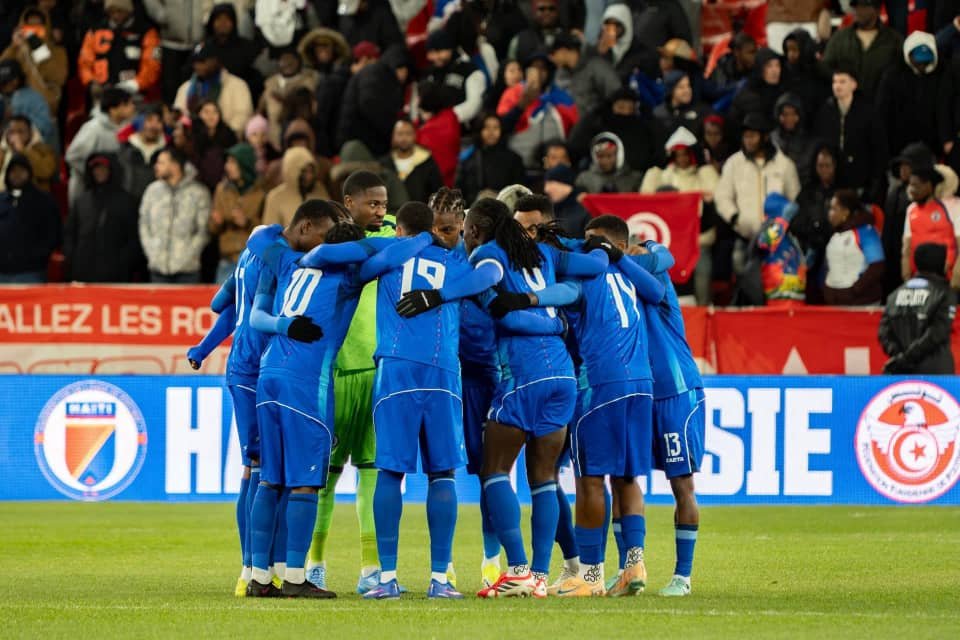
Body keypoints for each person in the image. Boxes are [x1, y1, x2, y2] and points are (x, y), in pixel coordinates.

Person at [448, 197, 608, 598]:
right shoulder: (546, 253)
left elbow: (501, 306)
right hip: (562, 374)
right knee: (544, 477)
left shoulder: (489, 254)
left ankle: (517, 568)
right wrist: (554, 318)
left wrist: (443, 294)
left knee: (494, 470)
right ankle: (538, 575)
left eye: (468, 228)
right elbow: (588, 274)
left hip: (524, 373)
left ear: (477, 229)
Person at [361, 202, 498, 600]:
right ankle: (441, 578)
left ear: (400, 228)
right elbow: (488, 276)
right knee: (443, 475)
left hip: (397, 369)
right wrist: (440, 294)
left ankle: (386, 577)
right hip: (442, 372)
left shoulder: (390, 256)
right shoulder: (454, 263)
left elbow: (362, 271)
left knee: (389, 472)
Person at [530, 216, 666, 597]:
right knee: (626, 478)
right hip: (641, 385)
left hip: (601, 385)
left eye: (591, 242)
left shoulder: (586, 277)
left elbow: (562, 294)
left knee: (590, 479)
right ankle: (633, 564)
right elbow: (657, 291)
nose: (585, 248)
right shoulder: (631, 274)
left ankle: (589, 577)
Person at [242, 203, 366, 599]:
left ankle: (259, 576)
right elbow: (386, 255)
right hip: (306, 384)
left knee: (269, 480)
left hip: (268, 375)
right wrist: (419, 238)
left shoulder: (287, 261)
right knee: (306, 484)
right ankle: (296, 577)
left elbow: (259, 236)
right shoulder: (349, 276)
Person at [307, 171, 394, 594]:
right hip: (337, 372)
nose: (380, 211)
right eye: (372, 205)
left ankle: (371, 568)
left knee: (372, 472)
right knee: (325, 476)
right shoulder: (330, 243)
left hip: (378, 372)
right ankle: (313, 562)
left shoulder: (395, 230)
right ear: (349, 202)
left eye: (383, 204)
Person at [715, 113, 801, 241]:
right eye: (745, 136)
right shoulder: (734, 163)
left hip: (777, 239)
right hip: (743, 237)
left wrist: (782, 224)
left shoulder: (785, 165)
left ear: (765, 137)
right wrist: (734, 218)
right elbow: (722, 196)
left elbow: (794, 199)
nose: (748, 141)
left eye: (752, 136)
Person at [879, 242, 957, 375]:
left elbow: (884, 333)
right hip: (936, 374)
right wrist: (907, 358)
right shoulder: (944, 293)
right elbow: (937, 333)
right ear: (938, 263)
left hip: (901, 371)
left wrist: (900, 358)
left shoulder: (895, 294)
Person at [64, 153, 141, 283]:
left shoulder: (127, 201)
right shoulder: (81, 201)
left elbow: (134, 239)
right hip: (83, 272)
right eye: (95, 168)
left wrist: (123, 264)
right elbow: (70, 235)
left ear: (112, 170)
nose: (99, 172)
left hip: (116, 275)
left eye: (103, 168)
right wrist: (73, 260)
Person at [138, 147, 211, 283]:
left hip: (188, 271)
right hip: (158, 268)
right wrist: (152, 251)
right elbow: (144, 224)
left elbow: (203, 230)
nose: (156, 166)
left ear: (175, 165)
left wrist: (190, 255)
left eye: (161, 163)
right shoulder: (152, 191)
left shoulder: (198, 193)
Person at [496, 50, 578, 168]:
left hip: (553, 167)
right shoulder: (513, 93)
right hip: (519, 164)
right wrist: (521, 105)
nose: (539, 73)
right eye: (534, 68)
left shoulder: (561, 97)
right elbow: (501, 127)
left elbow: (573, 129)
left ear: (550, 72)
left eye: (543, 68)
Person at [876, 31, 946, 165]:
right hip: (899, 149)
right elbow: (883, 114)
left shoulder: (943, 75)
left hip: (932, 149)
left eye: (926, 61)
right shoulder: (892, 76)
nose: (922, 65)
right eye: (918, 60)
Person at [569, 88, 664, 178]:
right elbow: (576, 144)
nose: (626, 112)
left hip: (636, 180)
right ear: (612, 107)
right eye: (621, 107)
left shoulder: (643, 127)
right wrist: (594, 114)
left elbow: (658, 153)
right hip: (601, 178)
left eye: (630, 108)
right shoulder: (600, 124)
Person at [65, 87, 135, 207]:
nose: (133, 107)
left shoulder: (126, 128)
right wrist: (95, 176)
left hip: (112, 191)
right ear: (113, 109)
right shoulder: (93, 128)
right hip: (87, 192)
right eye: (127, 104)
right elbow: (73, 156)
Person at [337, 44, 410, 157]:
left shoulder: (380, 75)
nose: (404, 73)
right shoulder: (376, 73)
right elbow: (369, 103)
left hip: (362, 140)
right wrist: (392, 130)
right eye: (401, 68)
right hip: (362, 142)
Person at [821, 0, 902, 100]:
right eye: (856, 6)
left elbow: (901, 74)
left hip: (883, 106)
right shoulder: (840, 38)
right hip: (848, 106)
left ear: (876, 10)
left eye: (864, 6)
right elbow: (825, 68)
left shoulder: (893, 40)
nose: (858, 10)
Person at [77, 0, 160, 98]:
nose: (116, 15)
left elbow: (152, 65)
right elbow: (84, 61)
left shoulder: (145, 31)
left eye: (120, 11)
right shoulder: (95, 30)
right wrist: (91, 82)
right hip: (102, 93)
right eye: (112, 11)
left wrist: (134, 84)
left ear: (129, 10)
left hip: (135, 94)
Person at [883, 143, 936, 296]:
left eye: (908, 165)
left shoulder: (932, 199)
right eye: (901, 165)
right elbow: (887, 232)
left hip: (920, 263)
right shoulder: (895, 194)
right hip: (895, 260)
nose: (903, 169)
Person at [0, 153, 60, 283]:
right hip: (2, 272)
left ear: (29, 173)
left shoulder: (44, 201)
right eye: (13, 171)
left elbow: (53, 234)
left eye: (21, 170)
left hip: (31, 272)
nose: (17, 174)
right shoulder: (1, 200)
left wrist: (38, 257)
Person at [210, 143, 265, 283]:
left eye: (232, 162)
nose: (227, 166)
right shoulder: (221, 190)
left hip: (252, 262)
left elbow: (268, 228)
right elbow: (212, 228)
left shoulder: (261, 193)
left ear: (244, 164)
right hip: (226, 262)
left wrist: (247, 223)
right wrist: (216, 223)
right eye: (227, 162)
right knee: (221, 304)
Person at [174, 43, 253, 138]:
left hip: (227, 142)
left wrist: (220, 136)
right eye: (195, 61)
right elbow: (179, 116)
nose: (198, 65)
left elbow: (243, 117)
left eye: (202, 61)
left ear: (216, 60)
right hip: (192, 143)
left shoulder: (238, 86)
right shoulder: (185, 88)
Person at [820, 189, 885, 305]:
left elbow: (877, 266)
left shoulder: (866, 232)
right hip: (836, 303)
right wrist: (828, 290)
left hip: (862, 303)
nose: (830, 213)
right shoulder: (835, 235)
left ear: (846, 212)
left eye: (834, 209)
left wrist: (854, 291)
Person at [0, 6, 68, 115]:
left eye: (38, 25)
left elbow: (58, 77)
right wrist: (13, 46)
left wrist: (39, 48)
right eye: (29, 25)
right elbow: (2, 71)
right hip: (14, 107)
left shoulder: (58, 52)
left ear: (46, 27)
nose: (33, 29)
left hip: (45, 106)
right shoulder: (17, 49)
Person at [901, 165, 960, 287]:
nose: (911, 190)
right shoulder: (911, 210)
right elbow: (906, 248)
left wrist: (957, 276)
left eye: (916, 185)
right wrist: (906, 276)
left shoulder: (953, 207)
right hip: (918, 280)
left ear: (929, 186)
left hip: (947, 281)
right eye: (910, 185)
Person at [455, 113, 527, 205]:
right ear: (480, 130)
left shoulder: (514, 159)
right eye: (487, 127)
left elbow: (519, 190)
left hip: (504, 209)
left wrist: (497, 196)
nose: (491, 132)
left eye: (495, 128)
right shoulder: (468, 158)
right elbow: (459, 191)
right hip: (472, 210)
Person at [549, 31, 621, 120]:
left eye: (553, 53)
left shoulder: (596, 66)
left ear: (563, 50)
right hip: (572, 128)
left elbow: (617, 93)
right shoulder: (561, 74)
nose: (551, 58)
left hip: (596, 126)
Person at [422, 28, 486, 126]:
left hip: (462, 131)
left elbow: (474, 104)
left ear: (449, 48)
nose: (434, 57)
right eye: (431, 53)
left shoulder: (469, 70)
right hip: (433, 129)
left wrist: (446, 118)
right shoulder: (431, 72)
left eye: (438, 52)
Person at [259, 48, 320, 150]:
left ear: (299, 62)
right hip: (273, 143)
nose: (287, 63)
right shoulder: (270, 85)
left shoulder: (309, 83)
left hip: (299, 141)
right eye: (284, 60)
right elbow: (261, 111)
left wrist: (284, 100)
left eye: (291, 60)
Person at [588, 2, 657, 84]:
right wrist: (600, 52)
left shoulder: (642, 52)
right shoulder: (598, 48)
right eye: (608, 23)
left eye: (617, 24)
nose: (612, 29)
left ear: (626, 23)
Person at [379, 119, 443, 204]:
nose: (404, 138)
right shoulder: (384, 164)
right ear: (393, 136)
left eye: (408, 134)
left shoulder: (427, 162)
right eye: (400, 134)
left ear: (415, 136)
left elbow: (438, 194)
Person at [262, 148, 329, 227]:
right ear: (292, 172)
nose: (309, 176)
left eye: (311, 171)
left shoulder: (320, 190)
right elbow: (270, 235)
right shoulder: (275, 197)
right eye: (303, 172)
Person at [727, 48, 783, 144]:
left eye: (778, 65)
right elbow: (733, 127)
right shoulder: (745, 96)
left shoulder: (783, 92)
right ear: (760, 68)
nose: (775, 71)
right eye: (769, 66)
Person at [117, 104, 167, 204]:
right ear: (139, 122)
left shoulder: (168, 151)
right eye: (149, 120)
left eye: (159, 121)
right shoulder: (123, 148)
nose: (154, 126)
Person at [0, 58, 55, 149]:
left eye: (7, 81)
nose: (4, 86)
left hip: (32, 147)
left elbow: (47, 127)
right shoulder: (4, 98)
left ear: (17, 80)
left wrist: (20, 119)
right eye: (2, 82)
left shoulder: (33, 97)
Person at [771, 93, 818, 187]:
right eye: (785, 114)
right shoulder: (772, 139)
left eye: (793, 114)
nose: (789, 118)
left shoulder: (809, 141)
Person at [0, 115, 56, 193]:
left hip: (31, 200)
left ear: (30, 133)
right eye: (12, 132)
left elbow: (46, 172)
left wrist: (23, 151)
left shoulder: (43, 150)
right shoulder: (2, 150)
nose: (16, 136)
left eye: (20, 132)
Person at [191, 99, 238, 193]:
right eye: (206, 112)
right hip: (199, 184)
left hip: (224, 182)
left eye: (215, 112)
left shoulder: (229, 135)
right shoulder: (192, 136)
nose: (211, 116)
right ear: (198, 114)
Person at [575, 132, 644, 194]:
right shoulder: (584, 179)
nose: (605, 161)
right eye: (600, 156)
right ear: (594, 157)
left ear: (620, 155)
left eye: (609, 156)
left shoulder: (635, 179)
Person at [653, 70, 709, 140]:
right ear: (671, 90)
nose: (687, 90)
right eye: (681, 87)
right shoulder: (658, 114)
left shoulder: (702, 111)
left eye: (688, 86)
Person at [509, 0, 566, 65]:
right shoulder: (519, 40)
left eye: (551, 8)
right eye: (541, 9)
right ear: (533, 11)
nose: (547, 12)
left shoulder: (568, 38)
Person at [543, 164, 591, 237]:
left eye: (551, 183)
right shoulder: (549, 210)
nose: (546, 189)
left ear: (566, 185)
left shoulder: (584, 210)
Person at [708, 32, 757, 96]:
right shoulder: (721, 70)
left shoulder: (756, 68)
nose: (755, 56)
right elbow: (717, 94)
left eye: (755, 51)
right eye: (750, 52)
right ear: (736, 52)